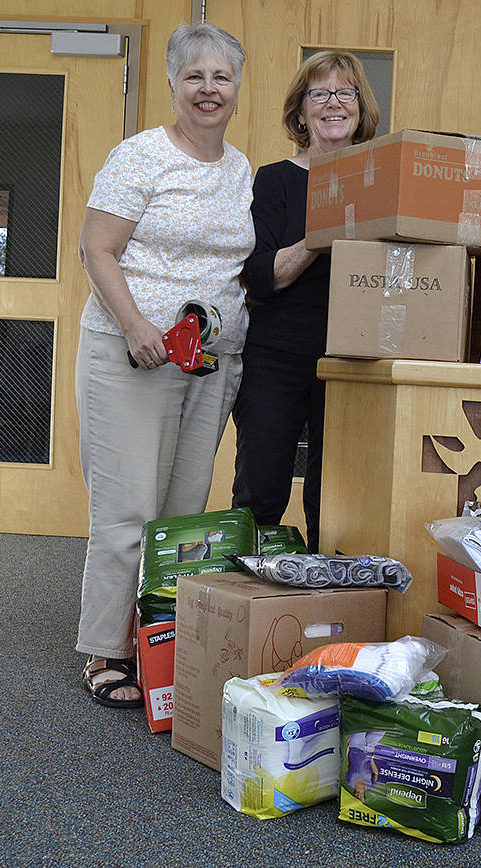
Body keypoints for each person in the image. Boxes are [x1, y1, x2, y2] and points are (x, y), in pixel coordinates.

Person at [74, 23, 253, 707]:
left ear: (237, 89)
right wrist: (135, 324)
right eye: (195, 76)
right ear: (174, 84)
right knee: (128, 510)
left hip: (210, 363)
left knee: (181, 515)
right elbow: (97, 249)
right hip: (134, 352)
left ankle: (160, 641)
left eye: (221, 78)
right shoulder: (140, 157)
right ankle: (103, 650)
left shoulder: (239, 169)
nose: (209, 89)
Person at [232, 52, 381, 552]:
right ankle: (246, 610)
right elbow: (259, 278)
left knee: (336, 496)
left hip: (356, 358)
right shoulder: (275, 179)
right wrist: (322, 234)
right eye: (320, 94)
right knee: (262, 489)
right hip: (277, 352)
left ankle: (333, 608)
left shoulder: (384, 177)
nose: (333, 103)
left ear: (361, 107)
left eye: (345, 93)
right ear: (301, 111)